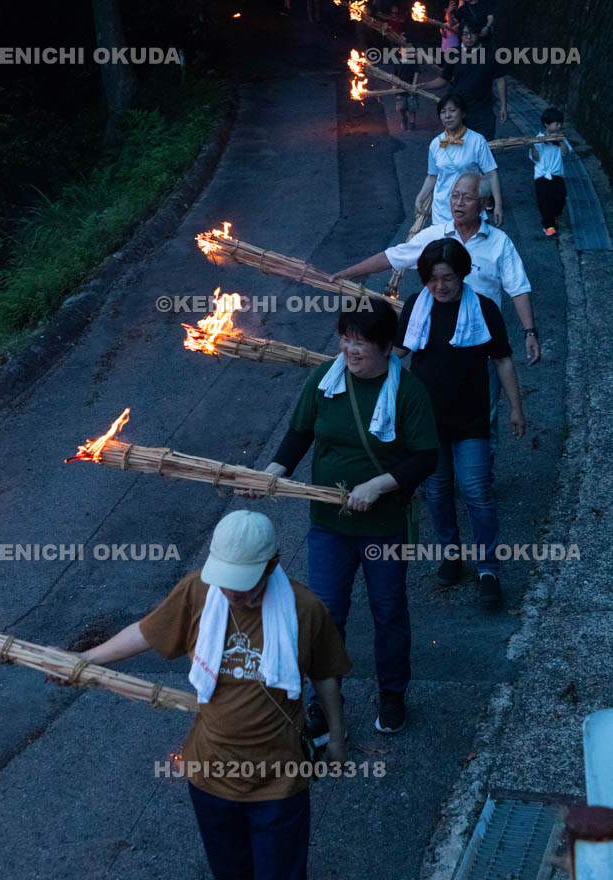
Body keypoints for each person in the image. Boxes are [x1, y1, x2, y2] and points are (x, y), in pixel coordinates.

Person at [54, 510, 350, 880]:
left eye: (243, 585)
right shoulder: (198, 592)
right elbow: (147, 632)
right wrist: (84, 660)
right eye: (226, 582)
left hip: (280, 778)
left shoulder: (305, 609)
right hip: (210, 774)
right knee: (230, 872)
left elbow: (326, 677)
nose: (232, 594)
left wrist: (336, 738)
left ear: (273, 566)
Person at [247, 304, 438, 739]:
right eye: (345, 338)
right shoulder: (325, 379)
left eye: (361, 341)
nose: (350, 349)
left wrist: (377, 486)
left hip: (384, 526)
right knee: (325, 616)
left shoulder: (408, 392)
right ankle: (321, 706)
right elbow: (300, 433)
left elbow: (426, 456)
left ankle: (392, 694)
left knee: (388, 613)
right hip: (329, 524)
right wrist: (271, 475)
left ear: (387, 347)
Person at [329, 173, 540, 453]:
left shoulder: (499, 243)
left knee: (483, 412)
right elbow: (393, 256)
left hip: (481, 344)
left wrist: (530, 331)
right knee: (432, 409)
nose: (458, 203)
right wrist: (349, 273)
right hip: (434, 342)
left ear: (483, 203)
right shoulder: (435, 236)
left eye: (466, 197)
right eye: (454, 196)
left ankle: (478, 471)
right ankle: (435, 471)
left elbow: (518, 287)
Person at [393, 239, 526, 608]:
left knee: (476, 491)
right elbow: (399, 353)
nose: (440, 286)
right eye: (432, 279)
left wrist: (516, 408)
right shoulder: (415, 309)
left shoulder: (483, 309)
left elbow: (502, 361)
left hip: (471, 420)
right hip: (426, 423)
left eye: (447, 278)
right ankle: (450, 553)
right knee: (436, 492)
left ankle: (488, 567)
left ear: (463, 273)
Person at [411, 93, 502, 226]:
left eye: (452, 110)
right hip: (442, 210)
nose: (447, 116)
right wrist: (420, 197)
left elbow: (491, 174)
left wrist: (498, 205)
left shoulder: (477, 140)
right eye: (443, 112)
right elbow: (432, 176)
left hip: (470, 207)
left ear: (463, 113)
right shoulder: (436, 143)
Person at [426, 24, 507, 141]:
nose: (468, 37)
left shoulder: (491, 53)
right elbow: (443, 80)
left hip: (483, 109)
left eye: (472, 33)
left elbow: (500, 79)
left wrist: (503, 106)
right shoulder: (453, 53)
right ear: (460, 36)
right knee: (459, 148)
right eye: (464, 34)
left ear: (478, 34)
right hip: (459, 110)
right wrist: (421, 86)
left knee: (485, 146)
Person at [529, 106, 573, 236]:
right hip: (542, 175)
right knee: (544, 201)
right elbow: (536, 158)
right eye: (556, 124)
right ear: (546, 124)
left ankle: (555, 215)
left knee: (560, 198)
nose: (559, 126)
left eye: (560, 124)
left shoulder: (560, 138)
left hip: (557, 174)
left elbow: (566, 152)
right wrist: (532, 146)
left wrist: (560, 142)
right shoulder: (538, 139)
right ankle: (549, 226)